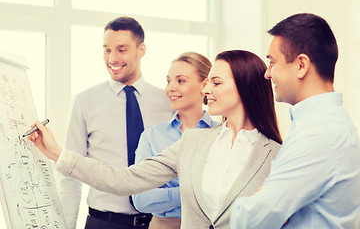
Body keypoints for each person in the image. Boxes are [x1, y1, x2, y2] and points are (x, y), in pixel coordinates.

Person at [28, 50, 283, 228]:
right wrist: (58, 154)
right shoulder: (194, 141)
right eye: (207, 83)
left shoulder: (276, 154)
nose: (206, 90)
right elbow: (124, 180)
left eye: (216, 83)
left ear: (245, 86)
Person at [230, 13, 360, 229]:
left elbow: (251, 221)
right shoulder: (321, 126)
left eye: (272, 62)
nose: (267, 74)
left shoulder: (319, 134)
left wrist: (247, 205)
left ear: (301, 65)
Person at [58, 16, 173, 229]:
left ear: (141, 50)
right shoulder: (85, 101)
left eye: (121, 49)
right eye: (107, 50)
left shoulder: (168, 102)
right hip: (103, 222)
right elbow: (70, 174)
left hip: (160, 223)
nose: (112, 58)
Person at [132, 52, 219, 229]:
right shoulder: (152, 136)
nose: (170, 88)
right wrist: (193, 193)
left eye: (180, 81)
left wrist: (165, 196)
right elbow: (141, 199)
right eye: (168, 81)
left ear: (204, 85)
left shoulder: (221, 134)